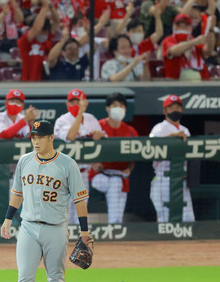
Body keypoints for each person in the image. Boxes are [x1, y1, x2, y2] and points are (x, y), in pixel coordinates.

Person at [1, 119, 91, 282]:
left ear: (52, 138)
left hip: (55, 229)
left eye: (40, 137)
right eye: (33, 136)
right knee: (24, 277)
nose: (36, 141)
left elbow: (80, 200)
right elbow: (17, 193)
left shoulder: (67, 164)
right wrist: (7, 219)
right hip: (28, 227)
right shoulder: (24, 161)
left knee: (56, 278)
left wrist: (84, 232)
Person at [0, 89, 36, 225]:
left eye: (18, 101)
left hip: (14, 174)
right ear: (6, 102)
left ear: (23, 104)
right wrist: (25, 121)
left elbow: (33, 143)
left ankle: (7, 243)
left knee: (11, 213)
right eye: (12, 101)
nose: (15, 104)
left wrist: (31, 124)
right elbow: (3, 136)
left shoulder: (25, 120)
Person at [54, 88, 105, 224]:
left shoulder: (91, 119)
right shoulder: (62, 120)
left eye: (79, 102)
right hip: (63, 174)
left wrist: (99, 136)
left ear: (85, 103)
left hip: (82, 173)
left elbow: (102, 141)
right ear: (67, 104)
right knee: (64, 215)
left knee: (80, 213)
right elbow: (70, 136)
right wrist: (80, 112)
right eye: (73, 102)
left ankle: (79, 243)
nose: (76, 105)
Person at [89, 92, 138, 224]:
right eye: (115, 105)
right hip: (99, 175)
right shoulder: (97, 126)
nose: (119, 108)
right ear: (107, 108)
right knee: (116, 183)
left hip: (120, 175)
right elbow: (84, 149)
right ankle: (114, 226)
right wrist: (93, 162)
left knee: (118, 185)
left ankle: (115, 226)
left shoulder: (131, 131)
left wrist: (129, 169)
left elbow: (133, 158)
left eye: (122, 105)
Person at [149, 94, 195, 222]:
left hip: (182, 181)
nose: (175, 110)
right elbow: (150, 146)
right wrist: (172, 137)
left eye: (178, 107)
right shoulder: (159, 128)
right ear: (165, 111)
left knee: (189, 221)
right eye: (171, 107)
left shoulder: (185, 130)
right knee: (165, 222)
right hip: (163, 179)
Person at [161, 13, 215, 81]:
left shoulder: (194, 40)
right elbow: (173, 51)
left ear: (190, 27)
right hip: (177, 85)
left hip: (201, 83)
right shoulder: (168, 40)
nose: (181, 28)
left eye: (185, 26)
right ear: (173, 26)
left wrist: (211, 30)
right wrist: (194, 42)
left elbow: (208, 51)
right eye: (178, 25)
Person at [17, 0, 58, 81]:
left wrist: (50, 6)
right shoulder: (25, 41)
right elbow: (36, 28)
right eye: (42, 31)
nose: (43, 33)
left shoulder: (45, 41)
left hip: (42, 82)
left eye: (45, 31)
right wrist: (44, 7)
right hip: (27, 81)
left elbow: (56, 21)